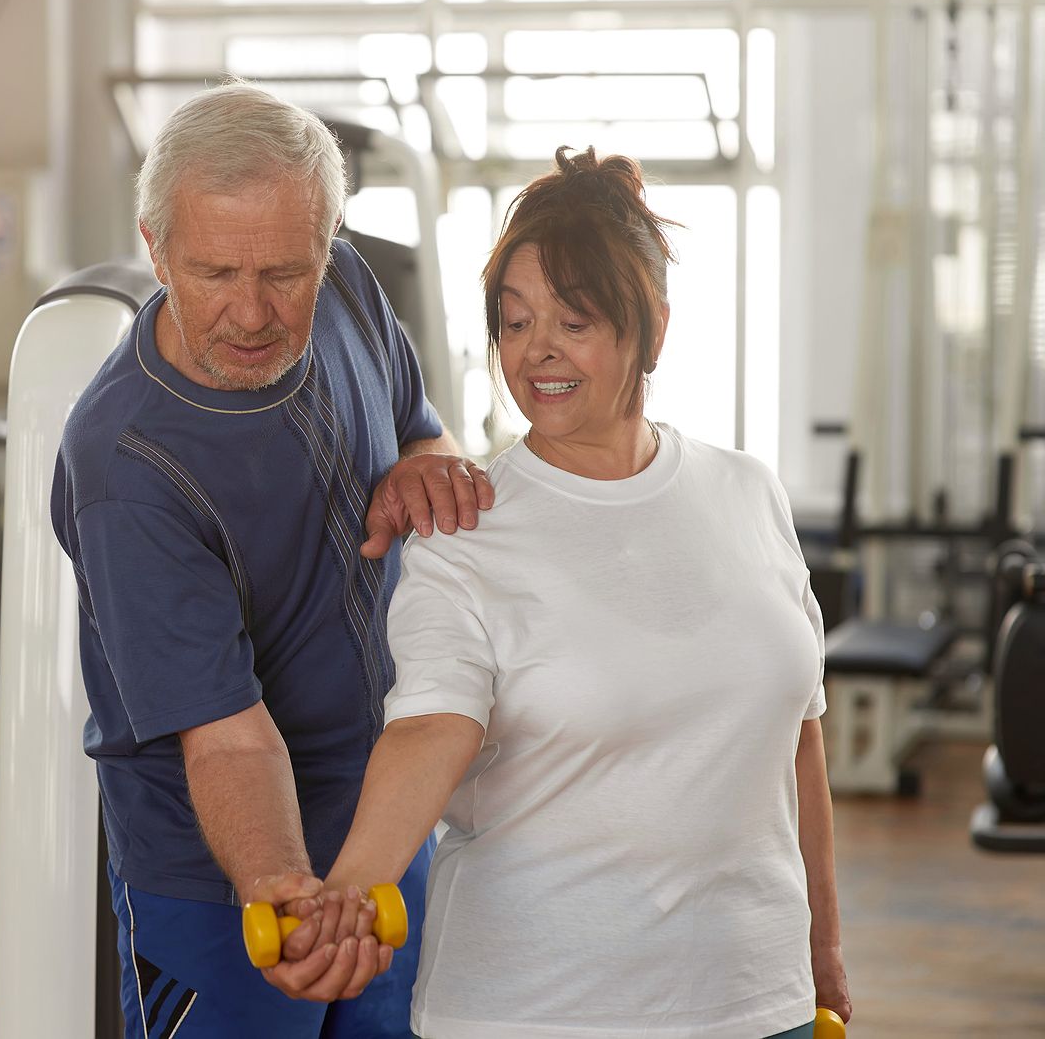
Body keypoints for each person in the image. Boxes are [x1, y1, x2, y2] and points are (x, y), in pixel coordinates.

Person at [300, 146, 853, 1038]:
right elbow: (430, 729)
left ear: (654, 329)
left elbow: (800, 740)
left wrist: (821, 943)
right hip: (540, 1006)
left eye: (574, 321)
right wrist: (349, 893)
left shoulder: (749, 493)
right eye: (515, 324)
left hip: (757, 997)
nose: (538, 353)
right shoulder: (465, 526)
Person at [50, 80, 494, 1038]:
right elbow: (229, 738)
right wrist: (282, 891)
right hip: (219, 877)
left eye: (283, 274)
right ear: (155, 245)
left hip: (380, 821)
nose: (250, 314)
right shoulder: (129, 465)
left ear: (329, 242)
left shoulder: (347, 287)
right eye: (213, 273)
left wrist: (431, 471)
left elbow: (424, 430)